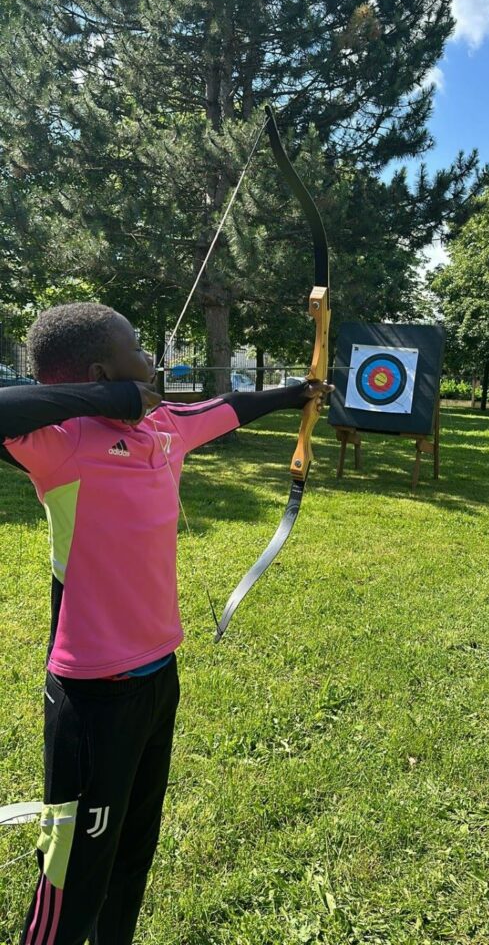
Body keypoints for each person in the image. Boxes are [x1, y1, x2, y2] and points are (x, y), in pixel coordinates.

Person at [0, 302, 329, 945]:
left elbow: (227, 409)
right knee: (74, 865)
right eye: (137, 351)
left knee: (131, 849)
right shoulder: (59, 444)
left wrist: (296, 393)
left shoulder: (166, 425)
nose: (151, 359)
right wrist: (104, 398)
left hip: (158, 676)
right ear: (102, 373)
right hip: (93, 690)